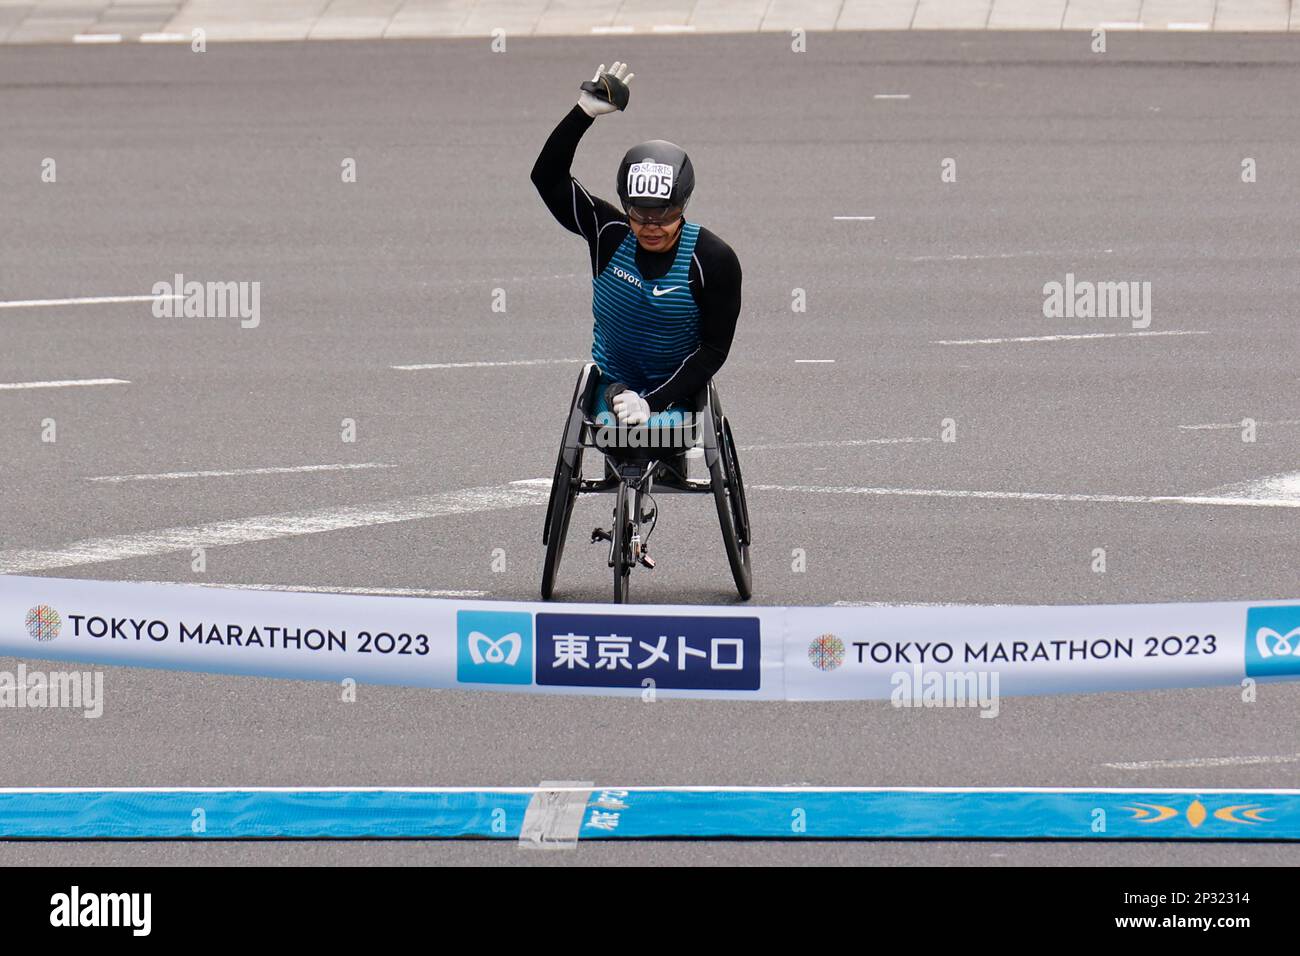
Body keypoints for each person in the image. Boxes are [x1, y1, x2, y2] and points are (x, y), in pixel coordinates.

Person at [530, 61, 742, 482]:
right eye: (640, 217)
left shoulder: (713, 259)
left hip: (676, 396)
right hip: (613, 387)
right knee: (617, 429)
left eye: (663, 218)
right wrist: (582, 114)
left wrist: (657, 401)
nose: (651, 229)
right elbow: (547, 177)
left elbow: (713, 351)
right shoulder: (608, 234)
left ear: (682, 207)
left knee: (649, 431)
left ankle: (661, 453)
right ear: (625, 208)